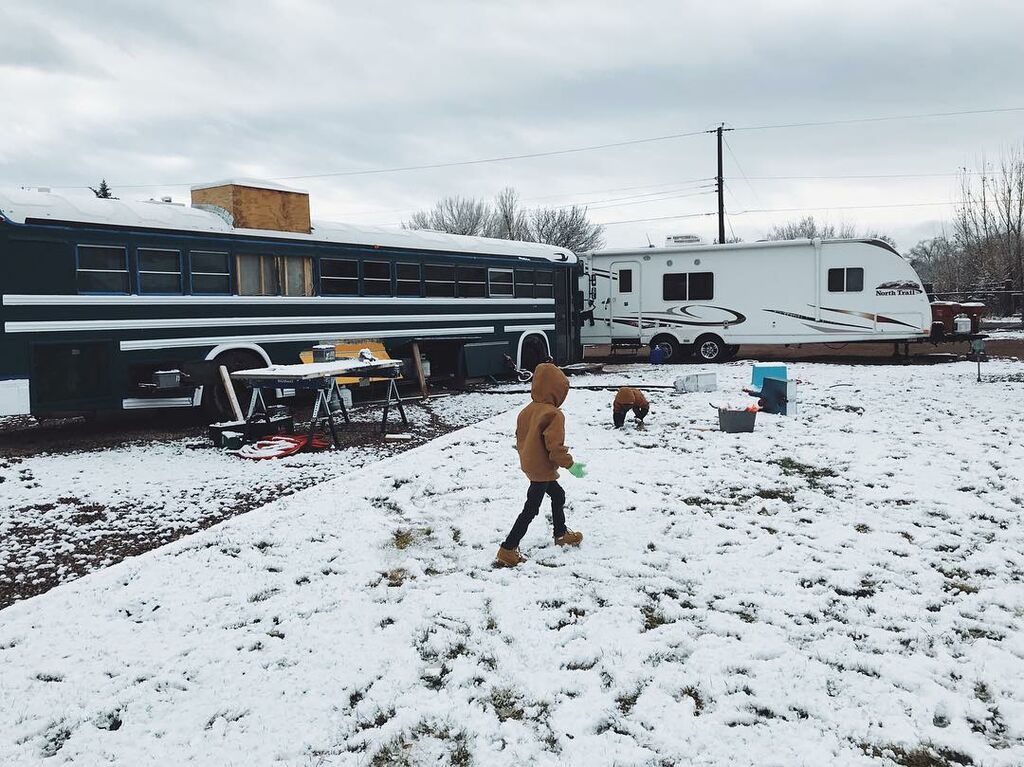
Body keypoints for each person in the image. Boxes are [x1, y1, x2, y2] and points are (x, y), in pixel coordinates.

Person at [496, 363, 586, 568]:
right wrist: (571, 465)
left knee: (557, 495)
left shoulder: (526, 411)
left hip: (531, 465)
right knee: (531, 509)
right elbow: (555, 448)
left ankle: (560, 533)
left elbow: (520, 438)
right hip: (542, 469)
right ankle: (508, 549)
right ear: (557, 390)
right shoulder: (553, 414)